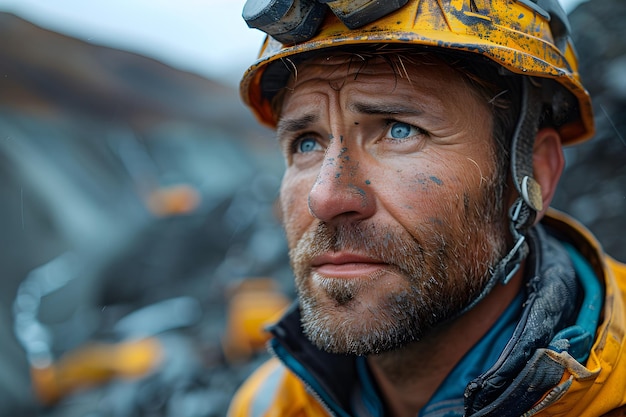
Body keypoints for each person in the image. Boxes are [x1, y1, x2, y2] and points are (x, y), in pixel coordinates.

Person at [228, 1, 626, 416]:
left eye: (401, 130)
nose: (326, 199)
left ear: (535, 174)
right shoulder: (267, 404)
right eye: (306, 142)